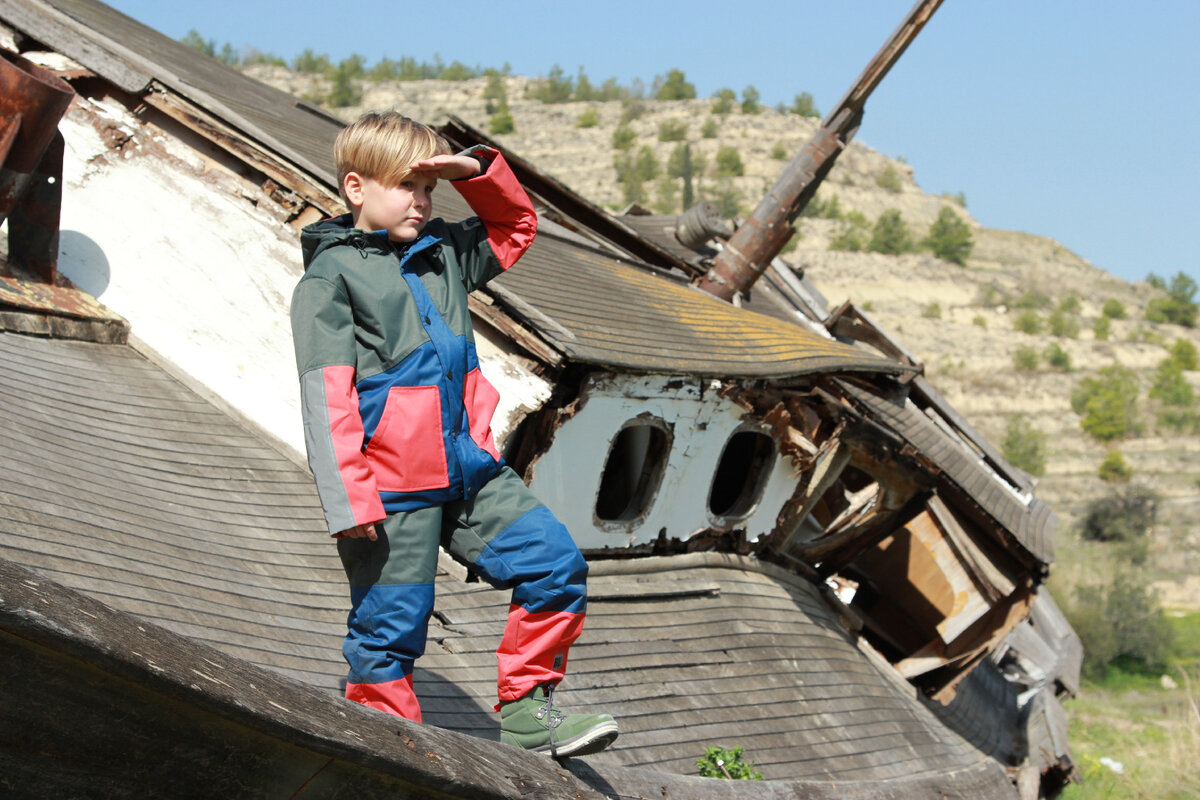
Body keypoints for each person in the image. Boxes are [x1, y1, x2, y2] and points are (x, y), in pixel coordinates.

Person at [290, 112, 617, 757]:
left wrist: (474, 170)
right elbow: (324, 398)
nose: (422, 201)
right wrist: (349, 499)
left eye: (430, 189)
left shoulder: (445, 255)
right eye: (408, 186)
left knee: (555, 564)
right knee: (390, 630)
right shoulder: (328, 281)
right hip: (392, 491)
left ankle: (528, 713)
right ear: (356, 188)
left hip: (468, 471)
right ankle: (388, 752)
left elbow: (516, 227)